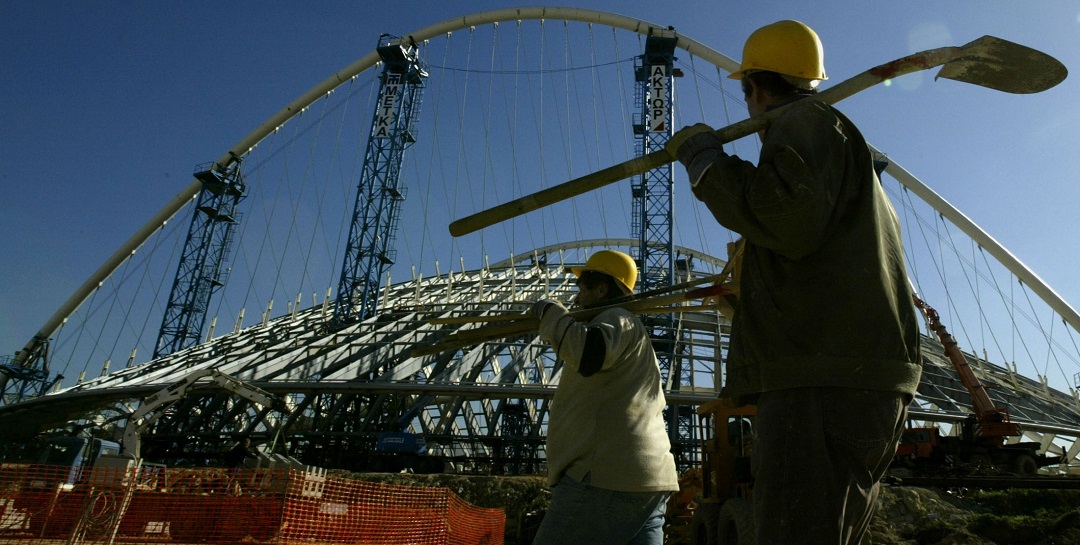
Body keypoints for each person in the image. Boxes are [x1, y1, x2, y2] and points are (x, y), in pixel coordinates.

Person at [667, 20, 923, 545]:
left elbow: (784, 218)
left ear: (754, 88)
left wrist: (707, 166)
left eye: (746, 95)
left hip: (819, 386)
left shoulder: (804, 123)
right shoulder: (850, 167)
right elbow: (812, 254)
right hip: (858, 377)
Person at [529, 249, 679, 545]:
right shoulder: (636, 341)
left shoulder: (618, 318)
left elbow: (588, 352)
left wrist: (550, 312)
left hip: (604, 478)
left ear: (601, 288)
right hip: (649, 481)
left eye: (582, 288)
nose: (575, 299)